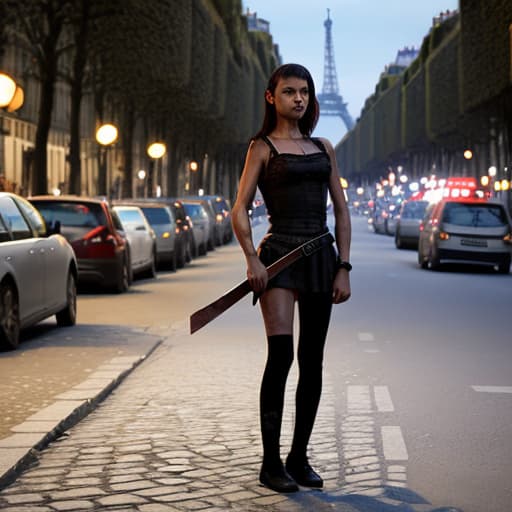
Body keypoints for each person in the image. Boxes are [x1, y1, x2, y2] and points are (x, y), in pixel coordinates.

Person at [231, 63, 352, 493]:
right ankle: (270, 463)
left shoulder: (323, 146)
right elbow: (239, 208)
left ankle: (298, 457)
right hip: (280, 255)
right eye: (289, 92)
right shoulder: (261, 147)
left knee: (313, 360)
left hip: (321, 255)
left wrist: (345, 266)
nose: (298, 98)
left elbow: (340, 209)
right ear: (271, 97)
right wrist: (252, 260)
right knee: (281, 358)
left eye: (304, 92)